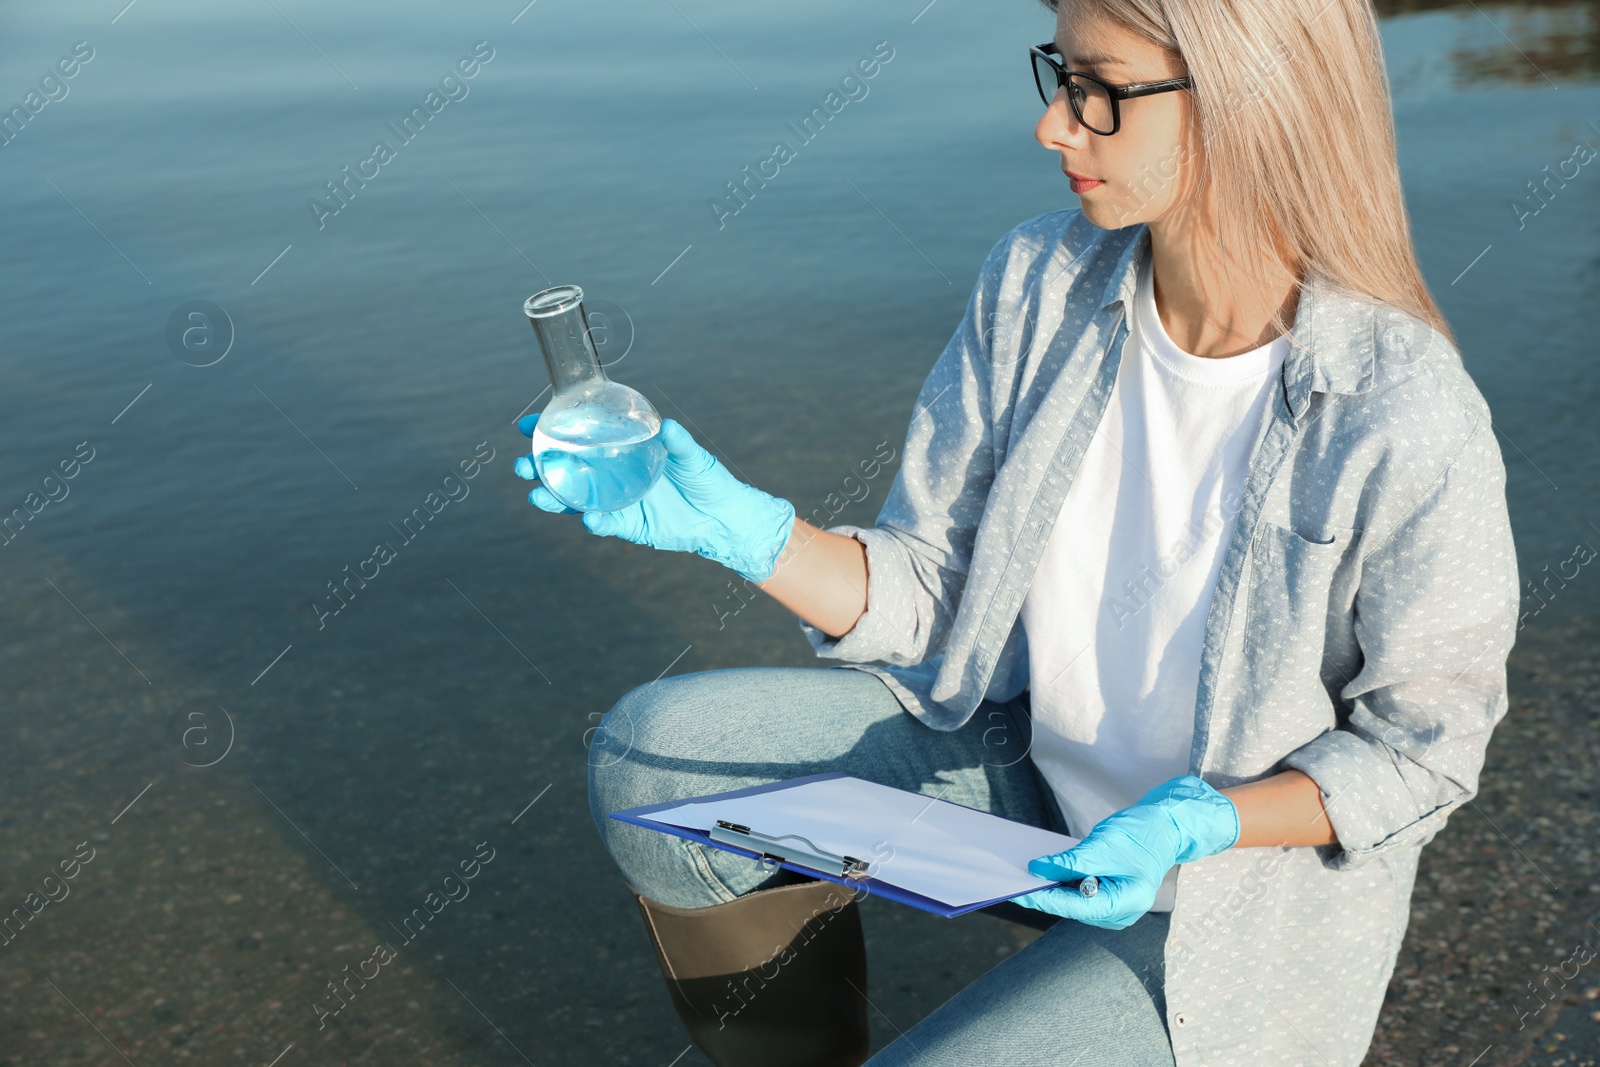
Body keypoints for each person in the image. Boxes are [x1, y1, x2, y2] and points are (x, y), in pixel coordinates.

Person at [515, 0, 1519, 1062]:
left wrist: (1204, 818)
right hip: (1029, 788)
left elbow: (1423, 753)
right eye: (1060, 75)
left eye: (1100, 91)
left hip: (1228, 903)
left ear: (1249, 98)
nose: (1055, 126)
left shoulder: (1397, 407)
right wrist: (750, 534)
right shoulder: (1040, 282)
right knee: (652, 761)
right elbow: (939, 595)